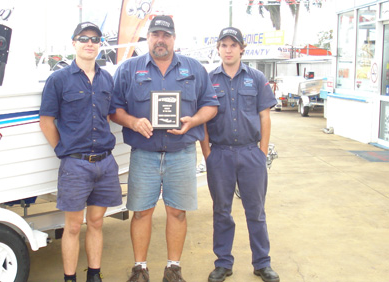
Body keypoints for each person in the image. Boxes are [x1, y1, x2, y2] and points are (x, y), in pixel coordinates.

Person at [110, 15, 219, 282]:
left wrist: (194, 120)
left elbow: (211, 105)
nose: (161, 40)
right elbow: (114, 110)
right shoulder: (128, 69)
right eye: (156, 34)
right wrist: (133, 122)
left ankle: (173, 269)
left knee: (177, 212)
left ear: (174, 38)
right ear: (148, 37)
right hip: (144, 154)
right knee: (142, 212)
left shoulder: (194, 69)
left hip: (181, 154)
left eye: (166, 35)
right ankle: (140, 269)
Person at [39, 22, 122, 282]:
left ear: (100, 45)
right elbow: (46, 121)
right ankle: (70, 278)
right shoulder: (58, 79)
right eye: (83, 38)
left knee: (97, 222)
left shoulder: (107, 78)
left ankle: (94, 275)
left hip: (105, 163)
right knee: (73, 226)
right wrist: (63, 151)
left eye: (95, 39)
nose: (90, 43)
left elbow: (108, 115)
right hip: (75, 165)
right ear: (74, 42)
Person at [201, 27, 280, 282]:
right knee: (221, 211)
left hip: (250, 154)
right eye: (223, 45)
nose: (228, 49)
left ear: (242, 48)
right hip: (220, 155)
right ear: (218, 49)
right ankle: (223, 263)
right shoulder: (208, 79)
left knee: (255, 211)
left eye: (233, 45)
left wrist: (261, 152)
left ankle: (262, 262)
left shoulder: (256, 77)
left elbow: (264, 117)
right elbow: (202, 119)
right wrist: (208, 154)